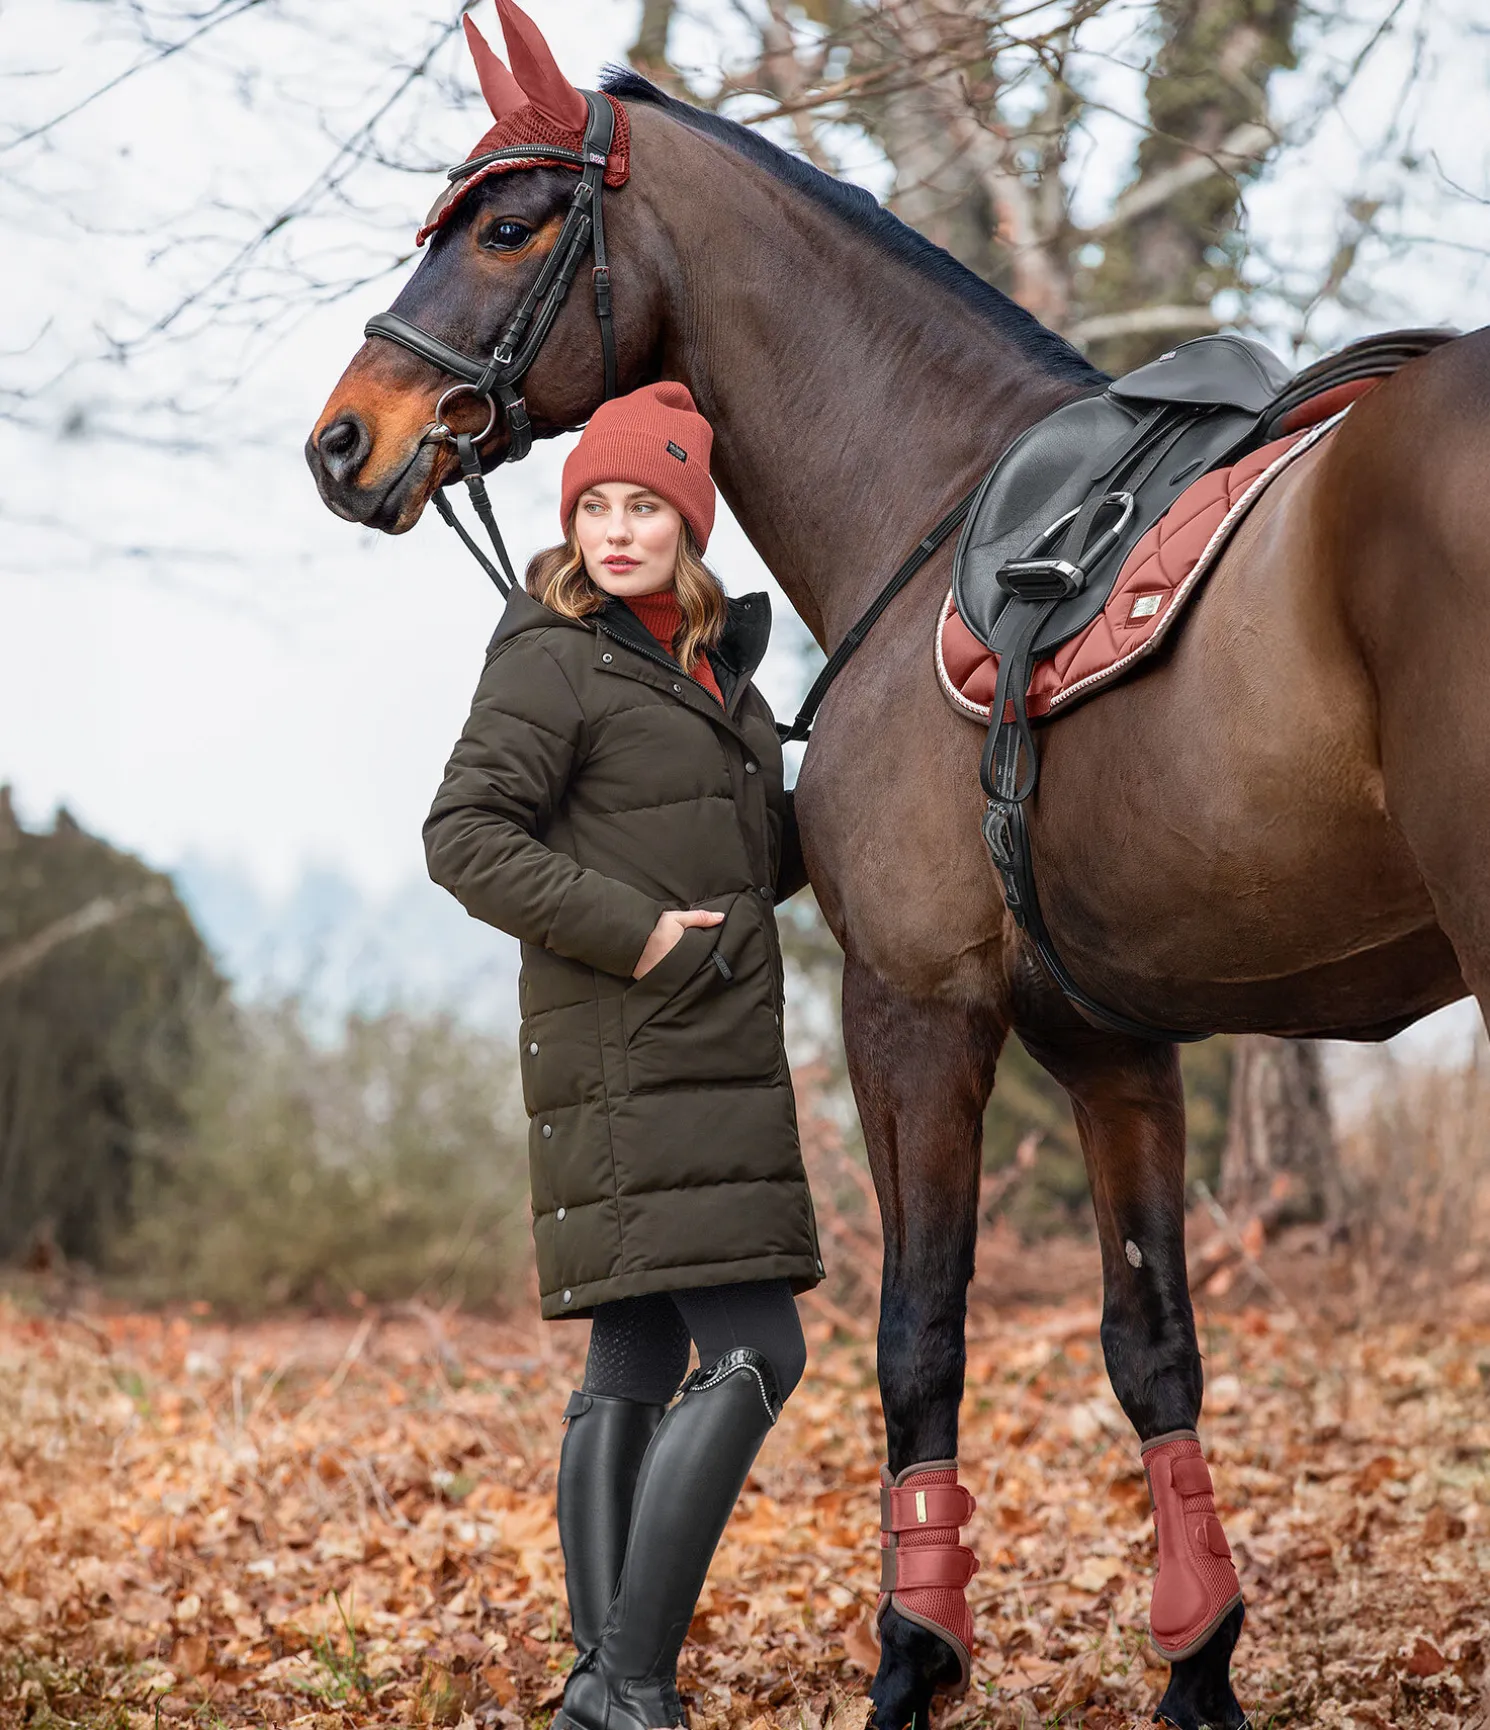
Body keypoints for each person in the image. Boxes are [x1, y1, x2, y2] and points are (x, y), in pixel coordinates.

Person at [424, 381, 824, 1730]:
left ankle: (605, 1689)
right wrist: (641, 935)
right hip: (631, 1045)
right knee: (761, 1350)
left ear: (687, 523)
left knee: (635, 1359)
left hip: (699, 1047)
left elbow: (758, 857)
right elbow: (465, 836)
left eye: (640, 505)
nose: (613, 529)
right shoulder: (555, 648)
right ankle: (632, 1678)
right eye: (593, 505)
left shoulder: (714, 670)